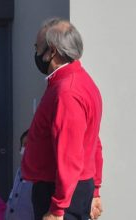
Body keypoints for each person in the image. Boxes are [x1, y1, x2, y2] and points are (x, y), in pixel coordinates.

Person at [21, 17, 103, 220]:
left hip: (60, 193)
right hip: (71, 189)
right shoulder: (78, 81)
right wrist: (95, 191)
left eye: (37, 47)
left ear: (52, 51)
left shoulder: (67, 91)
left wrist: (57, 209)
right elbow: (92, 143)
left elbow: (71, 153)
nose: (36, 53)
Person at [5, 130, 33, 220]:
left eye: (32, 145)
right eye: (25, 145)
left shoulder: (42, 177)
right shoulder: (20, 171)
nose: (28, 148)